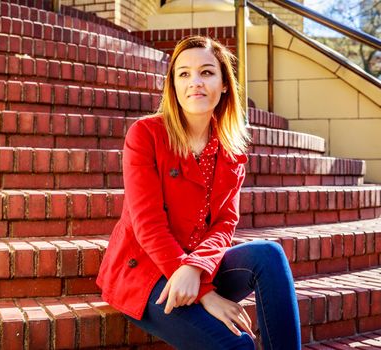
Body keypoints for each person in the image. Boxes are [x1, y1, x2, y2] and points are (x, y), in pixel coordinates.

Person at [96, 35, 301, 350]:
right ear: (174, 87)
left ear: (223, 85)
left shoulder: (231, 151)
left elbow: (224, 224)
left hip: (197, 267)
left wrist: (195, 269)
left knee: (269, 255)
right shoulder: (146, 135)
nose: (196, 82)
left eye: (206, 72)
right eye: (184, 74)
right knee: (239, 345)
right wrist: (206, 292)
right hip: (146, 272)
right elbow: (147, 223)